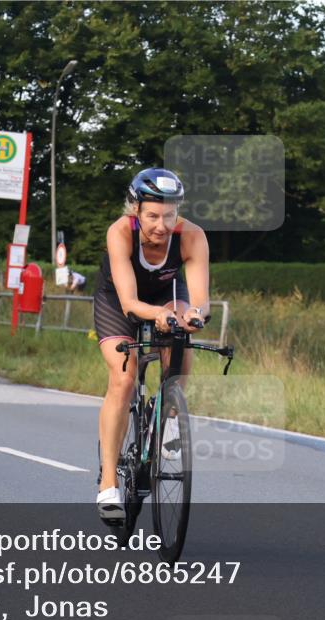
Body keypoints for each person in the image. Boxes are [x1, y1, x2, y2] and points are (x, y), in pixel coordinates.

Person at [92, 168, 210, 521]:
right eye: (153, 216)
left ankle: (170, 416)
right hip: (119, 300)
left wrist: (195, 316)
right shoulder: (120, 233)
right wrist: (155, 314)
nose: (161, 225)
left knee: (180, 337)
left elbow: (201, 300)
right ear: (136, 211)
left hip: (167, 295)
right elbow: (129, 302)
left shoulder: (192, 236)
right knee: (123, 378)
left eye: (170, 215)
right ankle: (109, 483)